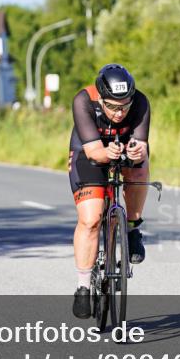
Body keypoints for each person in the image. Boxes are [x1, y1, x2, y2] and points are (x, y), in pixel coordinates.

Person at [68, 64, 151, 319]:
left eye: (124, 106)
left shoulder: (140, 102)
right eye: (113, 106)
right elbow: (94, 152)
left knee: (139, 170)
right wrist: (106, 153)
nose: (119, 112)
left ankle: (133, 227)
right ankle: (83, 286)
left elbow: (143, 146)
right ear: (101, 98)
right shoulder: (84, 101)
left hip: (123, 146)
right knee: (91, 219)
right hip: (89, 151)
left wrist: (137, 152)